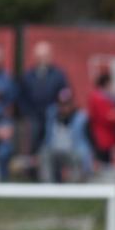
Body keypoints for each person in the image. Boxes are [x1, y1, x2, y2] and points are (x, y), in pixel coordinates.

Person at [19, 41, 69, 173]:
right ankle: (31, 173)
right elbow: (21, 97)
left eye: (45, 56)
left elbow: (65, 92)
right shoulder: (28, 75)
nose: (42, 59)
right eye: (40, 56)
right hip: (33, 117)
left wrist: (60, 106)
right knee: (33, 145)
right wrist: (27, 113)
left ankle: (52, 174)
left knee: (52, 145)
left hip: (52, 118)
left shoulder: (58, 74)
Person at [42, 89, 93, 183]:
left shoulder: (81, 118)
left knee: (78, 158)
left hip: (74, 151)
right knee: (44, 154)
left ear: (72, 103)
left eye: (66, 104)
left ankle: (72, 188)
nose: (63, 107)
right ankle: (48, 188)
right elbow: (46, 139)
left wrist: (90, 159)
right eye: (61, 104)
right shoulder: (51, 116)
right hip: (55, 151)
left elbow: (90, 141)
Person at [87, 68, 115, 167]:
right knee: (103, 163)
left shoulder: (105, 97)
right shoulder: (99, 98)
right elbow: (106, 117)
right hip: (102, 137)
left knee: (106, 162)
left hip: (106, 137)